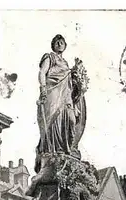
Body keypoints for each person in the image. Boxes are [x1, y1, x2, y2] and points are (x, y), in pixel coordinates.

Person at [35, 34, 87, 172]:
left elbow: (73, 83)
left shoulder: (65, 64)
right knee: (53, 122)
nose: (59, 44)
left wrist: (76, 71)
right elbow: (42, 72)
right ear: (53, 44)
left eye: (62, 42)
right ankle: (52, 150)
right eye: (57, 42)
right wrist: (43, 89)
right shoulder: (49, 57)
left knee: (70, 120)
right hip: (53, 92)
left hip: (65, 96)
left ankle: (66, 149)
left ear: (65, 45)